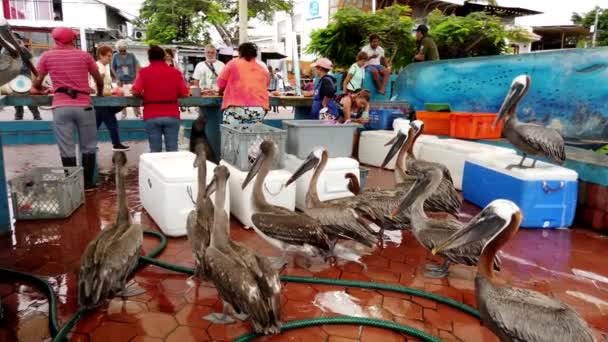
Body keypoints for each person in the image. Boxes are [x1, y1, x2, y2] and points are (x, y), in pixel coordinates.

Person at [32, 27, 104, 191]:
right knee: (89, 146)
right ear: (72, 39)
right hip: (84, 106)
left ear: (55, 40)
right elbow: (98, 80)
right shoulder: (84, 55)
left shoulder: (47, 56)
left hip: (61, 107)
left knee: (66, 147)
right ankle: (88, 185)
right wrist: (99, 93)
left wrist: (42, 88)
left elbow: (37, 83)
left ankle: (72, 184)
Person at [131, 45, 189, 153]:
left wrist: (144, 97)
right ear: (163, 57)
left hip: (151, 114)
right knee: (172, 150)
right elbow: (185, 93)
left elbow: (135, 91)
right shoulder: (175, 72)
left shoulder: (144, 72)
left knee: (155, 151)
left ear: (149, 58)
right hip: (172, 113)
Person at [217, 42, 270, 126]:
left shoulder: (232, 64)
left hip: (235, 108)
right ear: (255, 55)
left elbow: (221, 83)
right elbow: (266, 85)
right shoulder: (262, 69)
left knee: (232, 136)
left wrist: (220, 92)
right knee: (252, 137)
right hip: (258, 109)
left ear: (240, 53)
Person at [91, 45, 129, 151]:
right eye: (108, 56)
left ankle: (90, 144)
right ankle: (116, 144)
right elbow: (99, 83)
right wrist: (112, 91)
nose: (110, 58)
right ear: (100, 56)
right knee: (111, 122)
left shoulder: (102, 66)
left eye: (111, 56)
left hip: (102, 98)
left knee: (96, 123)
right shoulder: (99, 66)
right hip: (102, 98)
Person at [7, 36, 42, 120]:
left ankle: (35, 114)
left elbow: (30, 57)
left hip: (24, 76)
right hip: (15, 77)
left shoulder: (21, 49)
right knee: (17, 96)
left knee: (27, 96)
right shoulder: (9, 51)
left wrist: (22, 47)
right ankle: (20, 114)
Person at [112, 39, 141, 118]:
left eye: (124, 50)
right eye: (120, 50)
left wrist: (137, 78)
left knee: (134, 96)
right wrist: (117, 78)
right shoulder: (115, 56)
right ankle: (124, 114)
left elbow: (136, 66)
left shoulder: (131, 55)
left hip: (132, 78)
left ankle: (138, 113)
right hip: (121, 80)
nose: (122, 52)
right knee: (122, 97)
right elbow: (113, 67)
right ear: (118, 49)